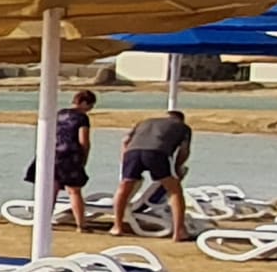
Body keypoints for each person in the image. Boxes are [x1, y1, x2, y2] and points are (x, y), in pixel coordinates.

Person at [23, 90, 99, 229]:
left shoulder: (60, 114)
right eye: (91, 105)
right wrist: (84, 159)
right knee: (74, 191)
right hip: (70, 155)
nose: (91, 108)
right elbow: (84, 140)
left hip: (53, 153)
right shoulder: (82, 118)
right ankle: (81, 224)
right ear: (84, 103)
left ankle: (44, 221)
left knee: (52, 189)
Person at [114, 109, 193, 242]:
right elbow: (184, 151)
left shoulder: (145, 122)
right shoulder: (183, 127)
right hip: (157, 152)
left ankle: (117, 226)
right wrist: (177, 167)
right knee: (175, 191)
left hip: (132, 153)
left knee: (124, 187)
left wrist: (124, 163)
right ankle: (179, 231)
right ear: (181, 119)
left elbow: (125, 141)